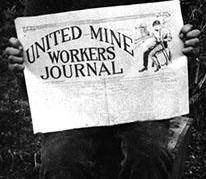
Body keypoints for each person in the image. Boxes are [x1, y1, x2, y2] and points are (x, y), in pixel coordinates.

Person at [4, 0, 201, 178]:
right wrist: (24, 68)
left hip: (139, 104)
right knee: (60, 159)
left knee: (148, 153)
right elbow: (37, 66)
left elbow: (170, 39)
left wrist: (182, 47)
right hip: (73, 108)